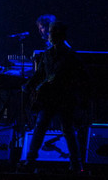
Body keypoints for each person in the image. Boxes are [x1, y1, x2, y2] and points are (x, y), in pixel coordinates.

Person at [19, 21, 88, 174]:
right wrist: (29, 85)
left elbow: (80, 78)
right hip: (48, 98)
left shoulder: (70, 56)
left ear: (58, 35)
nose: (49, 35)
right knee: (40, 128)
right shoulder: (47, 54)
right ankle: (30, 161)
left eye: (51, 32)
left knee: (67, 130)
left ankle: (76, 164)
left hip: (64, 98)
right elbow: (40, 74)